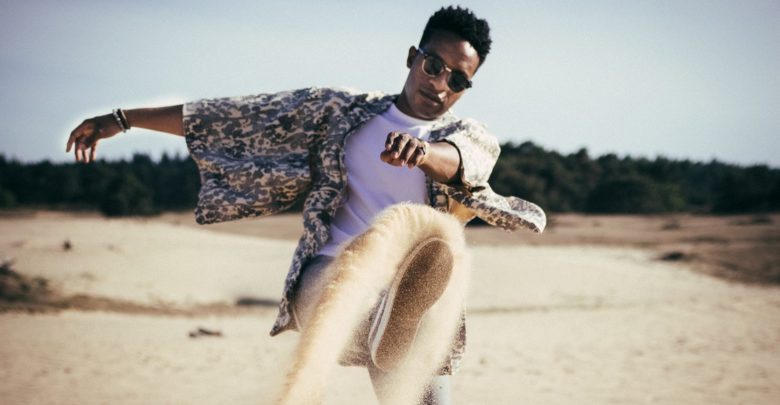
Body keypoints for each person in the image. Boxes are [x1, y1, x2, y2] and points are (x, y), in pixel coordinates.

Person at [66, 6, 545, 404]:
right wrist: (123, 119)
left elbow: (466, 161)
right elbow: (235, 118)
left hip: (416, 298)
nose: (441, 85)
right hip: (335, 271)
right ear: (411, 57)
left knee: (429, 255)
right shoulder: (341, 111)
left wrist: (422, 153)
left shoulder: (466, 134)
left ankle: (395, 319)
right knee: (354, 295)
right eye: (433, 66)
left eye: (458, 80)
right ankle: (381, 321)